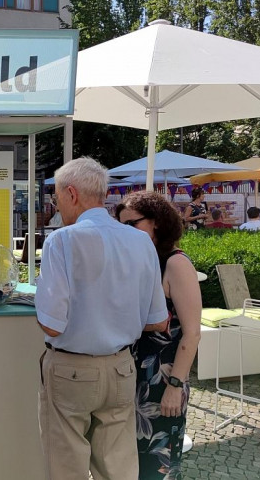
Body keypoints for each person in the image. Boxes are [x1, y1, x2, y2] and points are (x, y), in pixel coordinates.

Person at [35, 157, 169, 480]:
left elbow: (52, 323)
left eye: (56, 197)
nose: (56, 205)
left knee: (67, 468)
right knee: (119, 470)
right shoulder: (140, 242)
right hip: (121, 367)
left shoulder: (62, 240)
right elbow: (158, 319)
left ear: (72, 194)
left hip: (71, 371)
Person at [116, 191, 203, 480]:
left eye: (132, 224)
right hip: (133, 381)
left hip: (163, 382)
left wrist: (175, 386)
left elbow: (191, 334)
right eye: (121, 225)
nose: (125, 232)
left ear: (156, 223)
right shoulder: (144, 263)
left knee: (159, 466)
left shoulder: (176, 264)